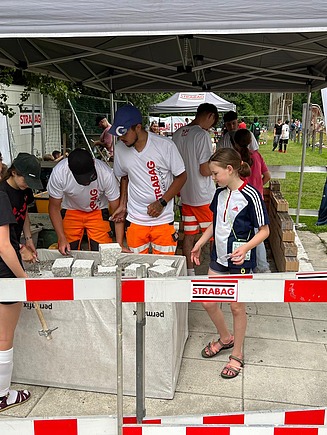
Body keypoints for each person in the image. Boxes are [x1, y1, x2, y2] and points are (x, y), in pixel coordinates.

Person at [191, 148, 269, 379]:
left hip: (241, 260)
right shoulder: (219, 194)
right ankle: (226, 338)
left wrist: (245, 248)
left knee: (236, 307)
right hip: (218, 256)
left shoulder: (251, 195)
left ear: (229, 169)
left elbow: (265, 231)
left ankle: (237, 354)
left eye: (215, 173)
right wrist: (200, 243)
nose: (212, 178)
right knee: (207, 302)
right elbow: (215, 223)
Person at [110, 104, 187, 255]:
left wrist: (162, 202)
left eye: (124, 133)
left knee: (165, 269)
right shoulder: (120, 148)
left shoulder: (165, 146)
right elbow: (124, 176)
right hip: (135, 219)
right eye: (119, 134)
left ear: (138, 127)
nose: (121, 138)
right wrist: (123, 204)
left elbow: (182, 176)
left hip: (163, 219)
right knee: (136, 267)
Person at [0, 152, 43, 412]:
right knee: (5, 335)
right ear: (13, 172)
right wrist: (24, 279)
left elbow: (24, 215)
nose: (27, 185)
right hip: (5, 269)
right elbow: (4, 246)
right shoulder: (2, 195)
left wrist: (27, 239)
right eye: (25, 179)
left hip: (11, 259)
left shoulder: (22, 194)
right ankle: (3, 395)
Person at [47, 147, 125, 255]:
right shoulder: (59, 173)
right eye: (81, 180)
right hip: (71, 210)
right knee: (68, 250)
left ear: (93, 163)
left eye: (90, 178)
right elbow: (54, 208)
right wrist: (61, 237)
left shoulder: (106, 174)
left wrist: (120, 243)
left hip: (97, 210)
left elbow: (117, 212)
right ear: (70, 169)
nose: (86, 182)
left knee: (104, 252)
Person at [172, 103, 218, 275]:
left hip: (185, 194)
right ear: (210, 116)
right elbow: (204, 170)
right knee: (214, 236)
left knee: (189, 235)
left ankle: (189, 272)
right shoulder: (202, 135)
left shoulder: (177, 134)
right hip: (203, 195)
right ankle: (215, 271)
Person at [233, 129, 271, 272]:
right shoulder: (257, 155)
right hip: (257, 200)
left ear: (235, 143)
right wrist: (258, 187)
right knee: (259, 234)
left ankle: (246, 266)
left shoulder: (235, 159)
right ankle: (262, 266)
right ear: (250, 141)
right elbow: (267, 176)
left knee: (242, 235)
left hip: (240, 201)